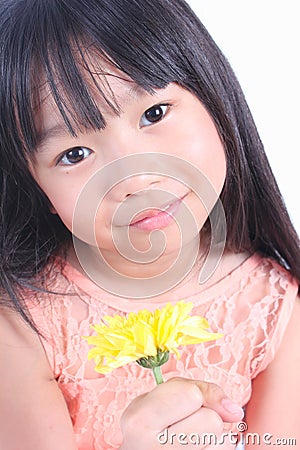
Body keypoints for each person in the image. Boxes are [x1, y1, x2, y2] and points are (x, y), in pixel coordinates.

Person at [0, 0, 299, 449]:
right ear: (34, 187)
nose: (135, 178)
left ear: (214, 95)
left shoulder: (276, 306)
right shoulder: (21, 325)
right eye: (74, 154)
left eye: (154, 114)